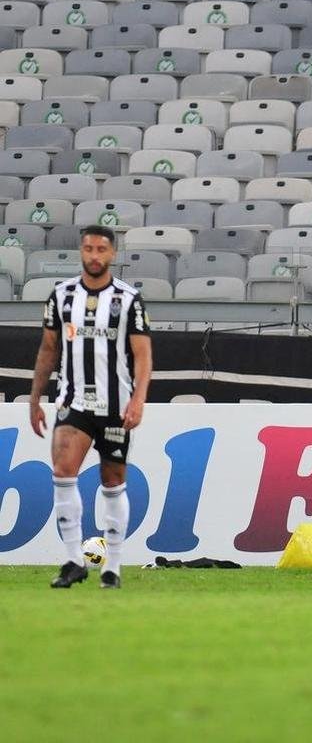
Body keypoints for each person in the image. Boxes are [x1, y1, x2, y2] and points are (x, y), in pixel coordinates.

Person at [30, 225, 152, 590]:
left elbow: (143, 355)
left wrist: (139, 398)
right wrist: (35, 398)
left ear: (112, 254)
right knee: (63, 470)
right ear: (80, 252)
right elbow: (48, 349)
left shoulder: (128, 299)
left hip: (115, 403)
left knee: (113, 481)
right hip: (73, 401)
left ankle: (111, 566)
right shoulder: (62, 295)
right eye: (88, 248)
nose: (94, 256)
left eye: (101, 249)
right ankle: (72, 561)